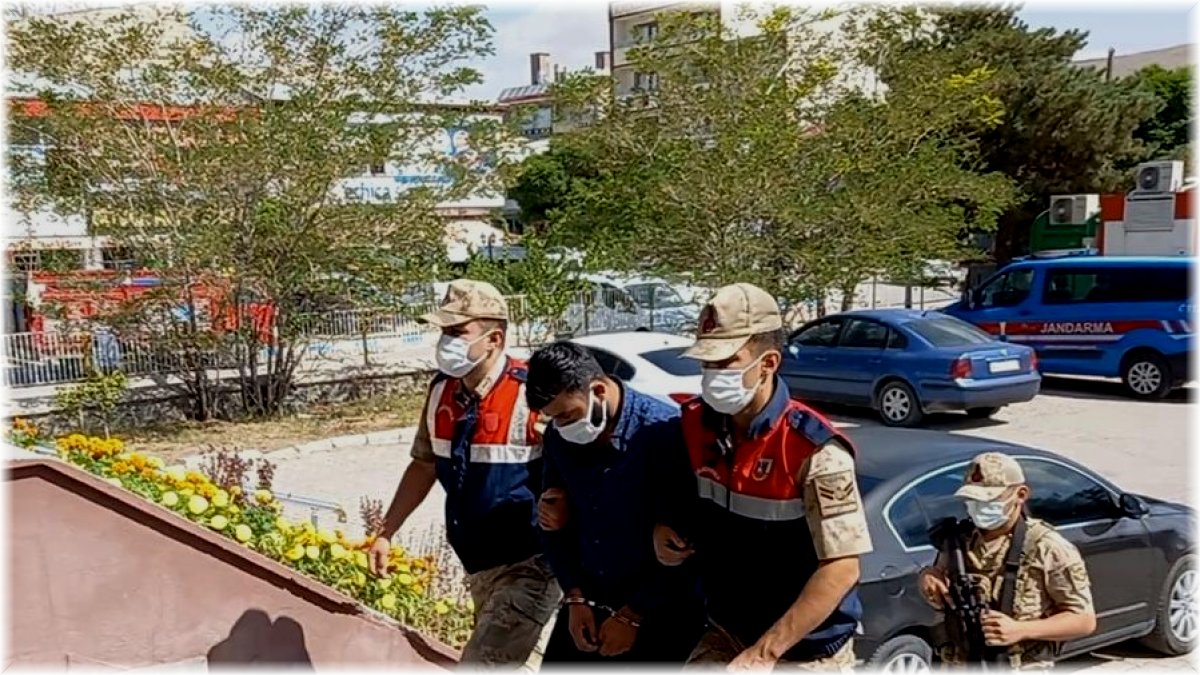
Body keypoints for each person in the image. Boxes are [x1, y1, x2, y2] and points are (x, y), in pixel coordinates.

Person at [652, 283, 872, 671]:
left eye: (725, 363)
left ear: (768, 363)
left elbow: (842, 567)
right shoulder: (695, 426)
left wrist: (765, 652)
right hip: (727, 628)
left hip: (801, 646)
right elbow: (684, 501)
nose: (710, 376)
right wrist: (666, 530)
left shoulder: (814, 448)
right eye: (706, 364)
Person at [367, 279, 560, 666]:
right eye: (444, 332)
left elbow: (573, 472)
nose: (447, 341)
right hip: (479, 562)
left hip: (532, 562)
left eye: (458, 332)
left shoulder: (533, 392)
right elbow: (424, 465)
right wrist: (386, 532)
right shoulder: (442, 392)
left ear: (494, 338)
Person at [525, 342, 705, 666]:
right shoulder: (559, 438)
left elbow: (684, 546)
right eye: (554, 419)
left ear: (597, 389)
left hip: (662, 608)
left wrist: (633, 615)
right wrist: (574, 596)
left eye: (567, 414)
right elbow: (551, 521)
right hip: (589, 599)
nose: (562, 426)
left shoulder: (662, 433)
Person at [918, 452, 1096, 668]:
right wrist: (929, 576)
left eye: (990, 499)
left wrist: (1021, 629)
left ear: (1020, 495)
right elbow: (939, 576)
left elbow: (1083, 621)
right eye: (973, 500)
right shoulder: (958, 541)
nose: (979, 507)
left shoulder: (1048, 547)